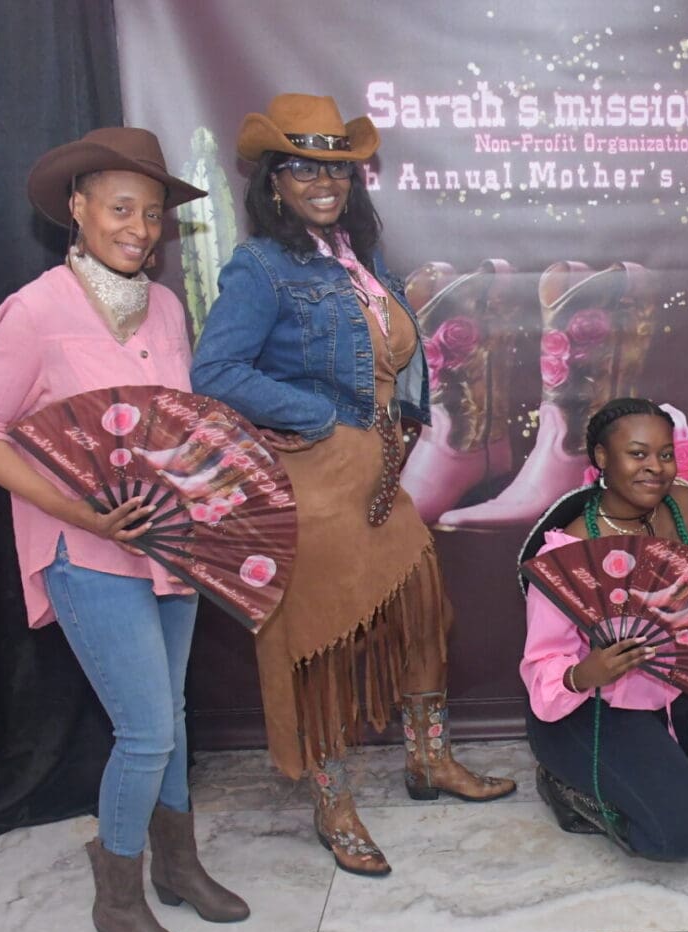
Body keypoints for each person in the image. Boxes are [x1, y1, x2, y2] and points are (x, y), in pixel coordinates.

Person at [0, 128, 246, 932]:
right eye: (120, 208)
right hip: (87, 552)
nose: (138, 228)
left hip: (172, 548)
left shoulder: (168, 308)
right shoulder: (36, 311)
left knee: (172, 719)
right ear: (76, 209)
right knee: (144, 731)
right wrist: (72, 507)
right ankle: (117, 899)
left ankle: (178, 867)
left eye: (150, 214)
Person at [191, 94, 515, 879]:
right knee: (326, 646)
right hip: (316, 480)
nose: (323, 182)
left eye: (335, 168)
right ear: (273, 183)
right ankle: (332, 804)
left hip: (380, 476)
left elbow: (394, 359)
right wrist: (321, 421)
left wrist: (402, 423)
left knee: (424, 618)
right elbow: (215, 370)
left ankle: (428, 760)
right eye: (303, 168)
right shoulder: (261, 267)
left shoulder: (357, 259)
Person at [519, 399, 688, 859]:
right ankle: (570, 787)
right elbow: (542, 663)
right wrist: (586, 673)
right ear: (602, 458)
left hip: (671, 692)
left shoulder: (687, 512)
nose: (655, 467)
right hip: (591, 707)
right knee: (682, 837)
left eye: (665, 454)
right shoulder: (568, 550)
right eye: (638, 454)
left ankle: (666, 774)